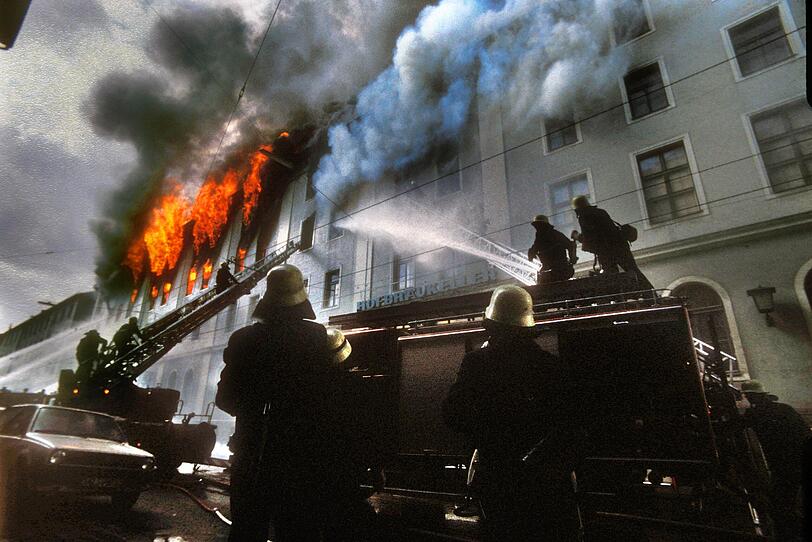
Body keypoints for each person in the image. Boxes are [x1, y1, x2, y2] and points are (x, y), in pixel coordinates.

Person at [216, 264, 341, 542]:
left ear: (267, 298)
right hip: (302, 462)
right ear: (301, 295)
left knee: (247, 532)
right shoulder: (318, 338)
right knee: (299, 531)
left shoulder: (244, 339)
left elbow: (224, 398)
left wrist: (253, 409)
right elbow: (332, 400)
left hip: (252, 459)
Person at [442, 285, 578, 540]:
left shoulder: (477, 363)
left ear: (491, 325)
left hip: (499, 478)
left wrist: (487, 438)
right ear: (527, 326)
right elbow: (571, 424)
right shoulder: (551, 366)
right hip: (547, 482)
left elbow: (452, 412)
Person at [741, 380, 810, 541]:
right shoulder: (786, 409)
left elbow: (734, 426)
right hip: (799, 460)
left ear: (751, 397)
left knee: (781, 505)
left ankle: (789, 535)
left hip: (783, 466)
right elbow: (805, 434)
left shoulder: (755, 414)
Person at [570, 195, 654, 291]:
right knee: (633, 271)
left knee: (612, 276)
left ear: (576, 207)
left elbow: (591, 238)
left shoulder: (584, 216)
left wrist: (577, 236)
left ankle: (620, 299)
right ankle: (651, 294)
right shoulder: (600, 212)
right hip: (621, 246)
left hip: (606, 252)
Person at [527, 214, 576, 284]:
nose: (538, 228)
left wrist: (572, 258)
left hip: (560, 269)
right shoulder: (540, 239)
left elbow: (571, 246)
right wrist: (531, 254)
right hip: (552, 270)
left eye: (539, 225)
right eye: (537, 226)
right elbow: (570, 245)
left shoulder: (555, 235)